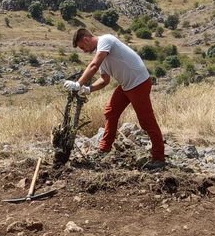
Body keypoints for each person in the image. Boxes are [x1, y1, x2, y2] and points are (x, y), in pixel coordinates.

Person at [66, 28, 166, 172]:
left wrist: (78, 84)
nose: (83, 51)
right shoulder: (102, 53)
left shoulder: (105, 40)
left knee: (146, 121)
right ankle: (104, 149)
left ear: (86, 39)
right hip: (127, 84)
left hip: (139, 83)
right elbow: (104, 80)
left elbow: (94, 65)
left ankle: (159, 159)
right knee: (111, 112)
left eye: (82, 47)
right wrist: (88, 89)